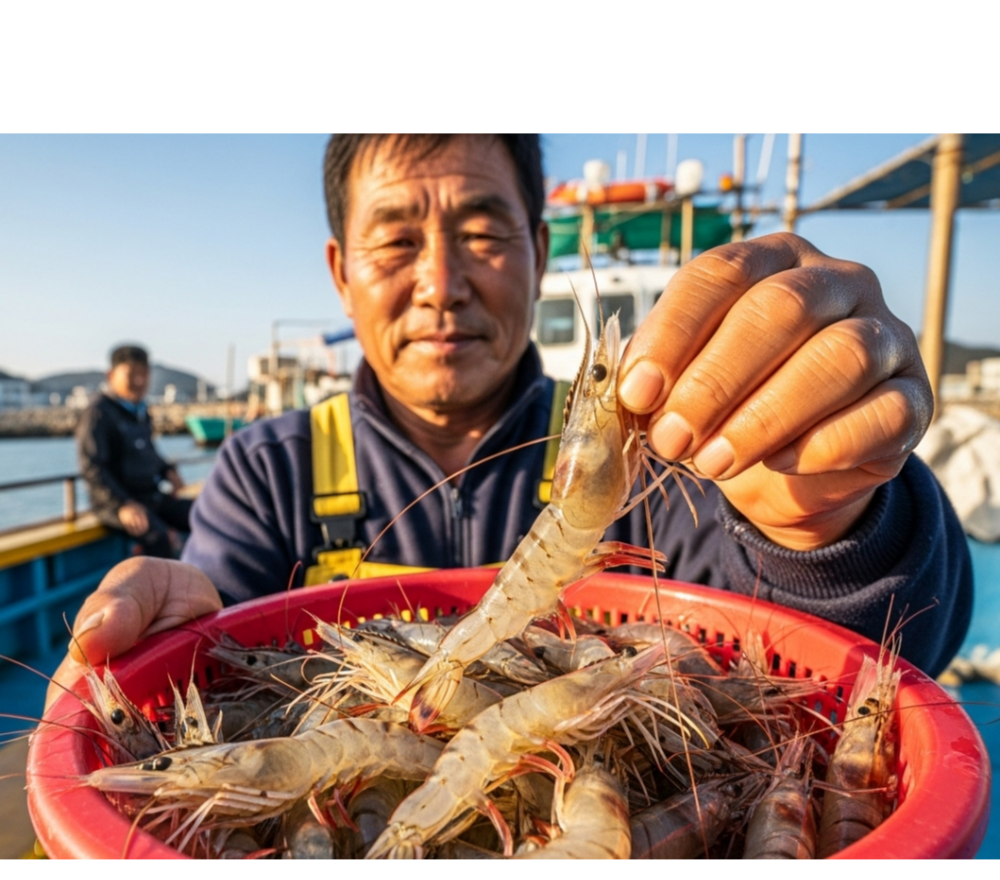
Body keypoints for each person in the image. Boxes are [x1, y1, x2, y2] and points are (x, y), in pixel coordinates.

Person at [47, 134, 972, 710]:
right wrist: (179, 625)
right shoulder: (265, 472)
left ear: (537, 250)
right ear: (341, 273)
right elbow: (226, 627)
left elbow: (891, 650)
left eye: (484, 233)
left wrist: (829, 522)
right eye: (396, 240)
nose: (442, 284)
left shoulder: (670, 460)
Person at [76, 344, 193, 559]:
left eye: (144, 374)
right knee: (157, 537)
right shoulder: (98, 413)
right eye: (131, 375)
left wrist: (167, 471)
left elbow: (148, 451)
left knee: (201, 514)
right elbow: (92, 468)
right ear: (111, 375)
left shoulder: (140, 410)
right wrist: (123, 504)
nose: (139, 381)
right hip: (115, 503)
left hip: (150, 496)